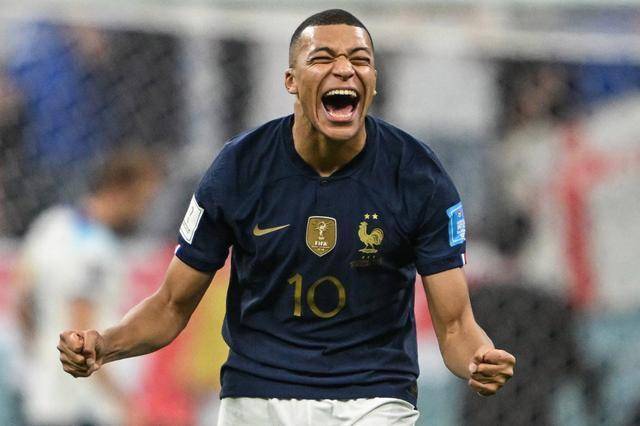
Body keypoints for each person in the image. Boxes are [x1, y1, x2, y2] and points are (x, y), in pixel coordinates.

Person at [58, 9, 515, 425]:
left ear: (373, 81)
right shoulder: (239, 168)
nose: (345, 69)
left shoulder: (418, 176)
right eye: (324, 58)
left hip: (373, 401)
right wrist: (104, 345)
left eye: (360, 59)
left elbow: (456, 325)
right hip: (258, 400)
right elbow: (171, 305)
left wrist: (477, 358)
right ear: (291, 81)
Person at [20, 147, 161, 425]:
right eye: (143, 200)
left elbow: (23, 303)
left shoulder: (50, 225)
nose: (144, 210)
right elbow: (83, 337)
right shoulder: (97, 251)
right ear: (120, 190)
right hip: (83, 405)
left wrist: (42, 355)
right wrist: (123, 403)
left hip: (44, 394)